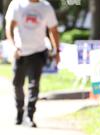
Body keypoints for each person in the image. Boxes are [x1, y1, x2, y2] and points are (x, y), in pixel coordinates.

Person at [5, 0, 60, 128]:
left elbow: (53, 29)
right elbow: (10, 27)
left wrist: (57, 51)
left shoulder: (45, 7)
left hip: (38, 52)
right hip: (20, 51)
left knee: (34, 85)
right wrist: (13, 46)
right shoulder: (17, 4)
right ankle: (19, 111)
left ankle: (29, 115)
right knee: (17, 83)